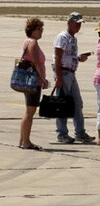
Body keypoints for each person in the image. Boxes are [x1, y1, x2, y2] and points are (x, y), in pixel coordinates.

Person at [53, 12, 94, 144]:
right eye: (76, 23)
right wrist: (58, 77)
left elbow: (67, 56)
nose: (79, 26)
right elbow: (58, 58)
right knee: (62, 104)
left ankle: (80, 132)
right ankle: (62, 134)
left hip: (71, 73)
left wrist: (78, 59)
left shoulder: (73, 38)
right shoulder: (62, 37)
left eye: (80, 24)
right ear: (69, 22)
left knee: (77, 103)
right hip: (63, 73)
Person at [19, 18, 48, 150]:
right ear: (32, 30)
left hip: (29, 81)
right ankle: (26, 142)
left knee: (28, 111)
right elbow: (36, 63)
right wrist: (43, 79)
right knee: (30, 112)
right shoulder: (33, 43)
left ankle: (22, 140)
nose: (41, 31)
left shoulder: (27, 42)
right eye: (39, 29)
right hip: (33, 82)